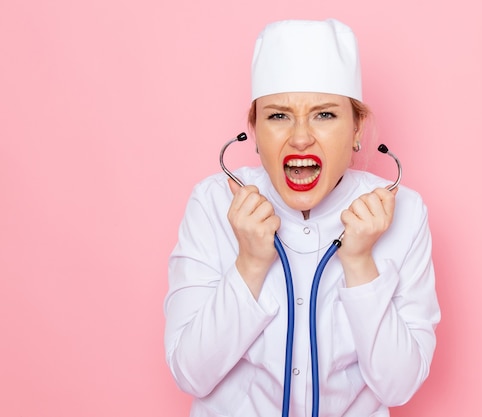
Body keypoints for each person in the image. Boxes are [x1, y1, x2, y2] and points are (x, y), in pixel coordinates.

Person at [164, 18, 440, 417]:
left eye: (324, 115)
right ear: (254, 132)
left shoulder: (406, 213)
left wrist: (361, 264)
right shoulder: (211, 203)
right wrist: (250, 265)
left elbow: (398, 387)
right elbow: (189, 374)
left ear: (357, 127)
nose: (300, 137)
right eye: (278, 116)